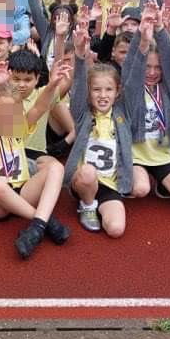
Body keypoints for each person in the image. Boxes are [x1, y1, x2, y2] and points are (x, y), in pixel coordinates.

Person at [0, 59, 72, 259]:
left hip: (22, 190)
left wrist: (53, 84)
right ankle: (43, 219)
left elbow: (39, 107)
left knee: (56, 168)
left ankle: (37, 227)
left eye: (14, 111)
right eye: (3, 111)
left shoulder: (20, 128)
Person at [64, 12, 133, 235]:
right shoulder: (83, 113)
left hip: (110, 184)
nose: (102, 95)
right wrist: (80, 53)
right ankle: (86, 204)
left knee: (116, 229)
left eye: (108, 90)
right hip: (84, 180)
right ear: (89, 93)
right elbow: (78, 82)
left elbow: (136, 76)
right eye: (96, 90)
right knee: (87, 174)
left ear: (117, 92)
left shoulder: (123, 114)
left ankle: (99, 202)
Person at [122, 1, 170, 201]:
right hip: (135, 155)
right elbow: (131, 62)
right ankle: (132, 176)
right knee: (140, 189)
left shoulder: (167, 90)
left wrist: (161, 27)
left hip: (161, 155)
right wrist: (142, 33)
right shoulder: (132, 87)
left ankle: (162, 182)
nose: (152, 72)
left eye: (158, 68)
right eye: (148, 67)